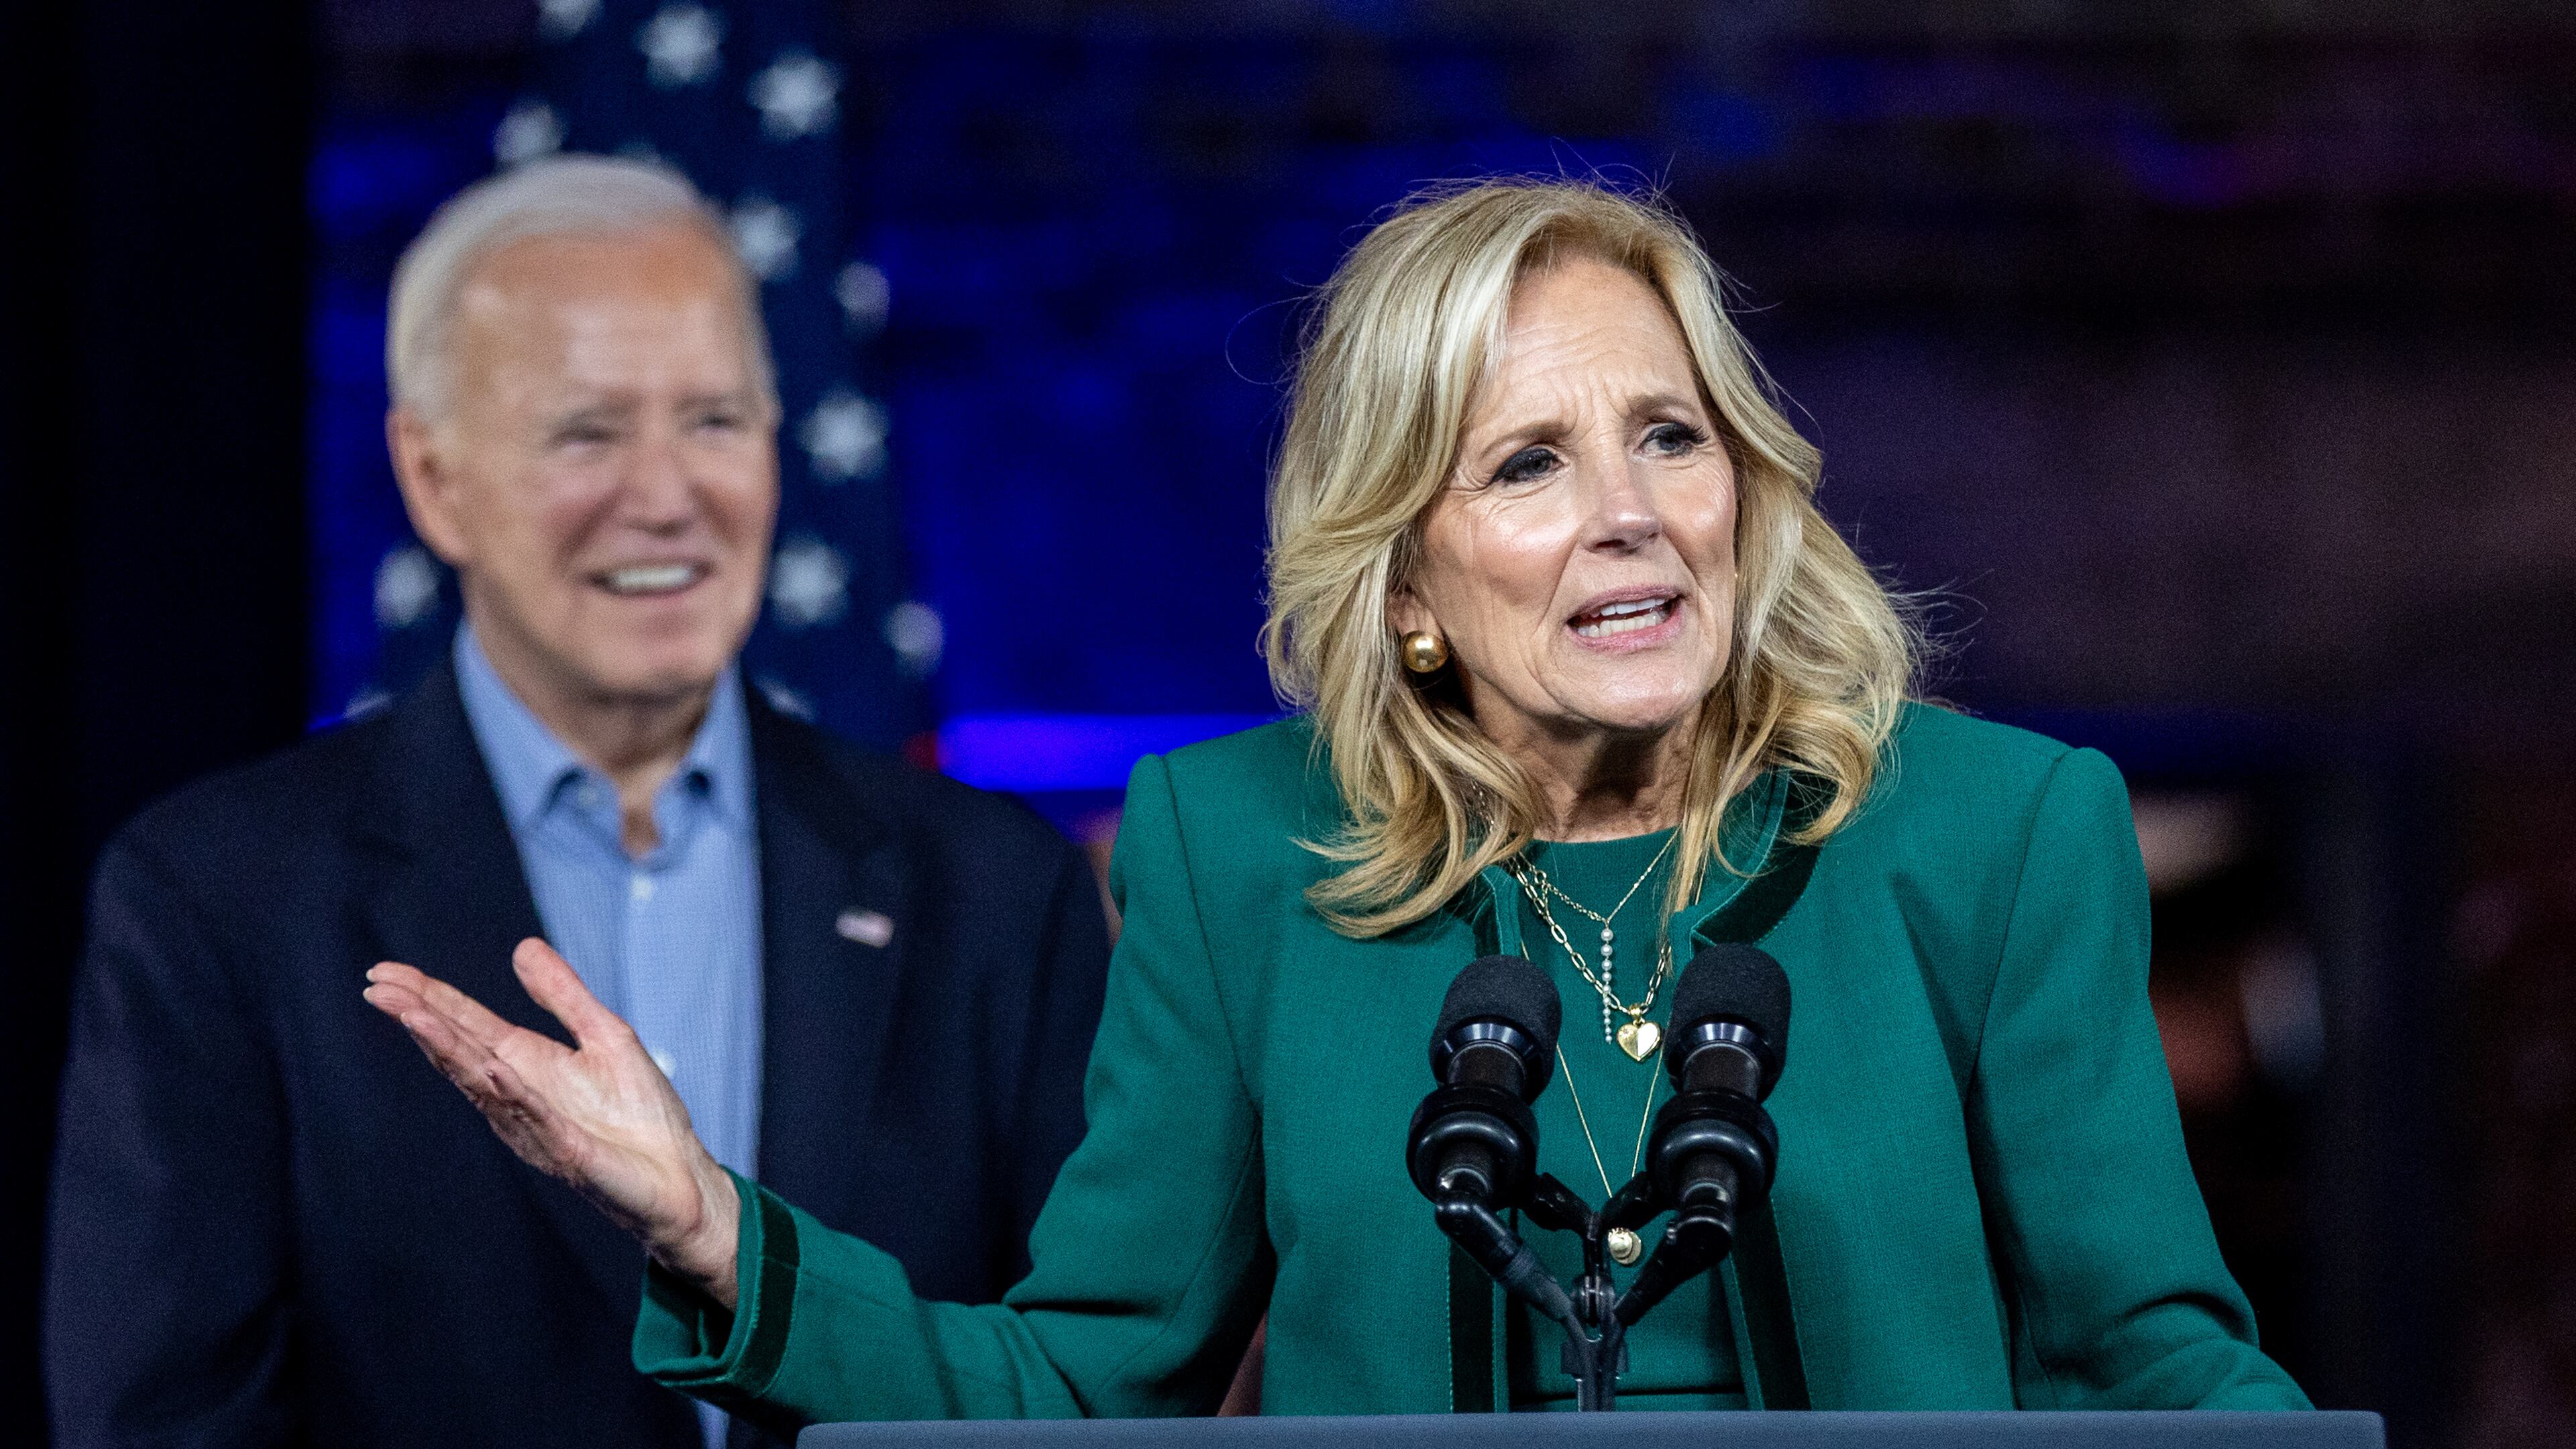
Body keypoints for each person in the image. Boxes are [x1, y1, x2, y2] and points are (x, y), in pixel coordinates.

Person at [366, 176, 2310, 1425]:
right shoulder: (1240, 858)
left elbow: (2149, 1359)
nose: (1632, 511)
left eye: (1669, 435)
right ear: (1406, 583)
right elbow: (1087, 1380)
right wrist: (718, 1230)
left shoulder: (1991, 836)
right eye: (1528, 464)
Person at [46, 156, 1112, 1449]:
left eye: (715, 420)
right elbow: (165, 1422)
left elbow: (1083, 1391)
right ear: (434, 478)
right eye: (587, 433)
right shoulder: (216, 900)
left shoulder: (997, 891)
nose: (665, 497)